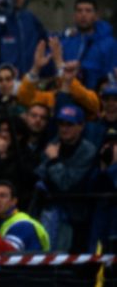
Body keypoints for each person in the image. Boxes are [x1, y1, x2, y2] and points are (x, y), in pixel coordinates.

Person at [36, 104, 97, 253]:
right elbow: (40, 174)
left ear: (81, 126)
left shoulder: (88, 150)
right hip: (50, 211)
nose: (64, 129)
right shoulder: (54, 143)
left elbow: (66, 183)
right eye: (61, 124)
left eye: (69, 124)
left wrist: (54, 161)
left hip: (76, 216)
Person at [16, 39, 99, 118]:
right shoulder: (51, 97)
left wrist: (60, 64)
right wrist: (35, 68)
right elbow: (25, 98)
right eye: (64, 71)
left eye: (71, 70)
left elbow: (77, 91)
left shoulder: (91, 98)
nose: (65, 75)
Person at [59, 0, 116, 90]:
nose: (83, 14)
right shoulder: (65, 42)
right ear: (74, 15)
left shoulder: (109, 44)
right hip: (66, 92)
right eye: (79, 11)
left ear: (96, 16)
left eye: (88, 11)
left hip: (97, 94)